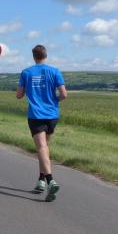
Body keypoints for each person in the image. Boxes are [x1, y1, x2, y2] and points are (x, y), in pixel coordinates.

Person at [16, 44, 68, 202]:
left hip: (36, 115)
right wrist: (53, 100)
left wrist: (28, 89)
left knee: (41, 148)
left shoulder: (26, 72)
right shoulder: (55, 71)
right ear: (45, 55)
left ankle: (50, 180)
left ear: (34, 57)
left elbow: (19, 95)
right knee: (44, 148)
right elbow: (64, 94)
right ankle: (41, 180)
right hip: (52, 115)